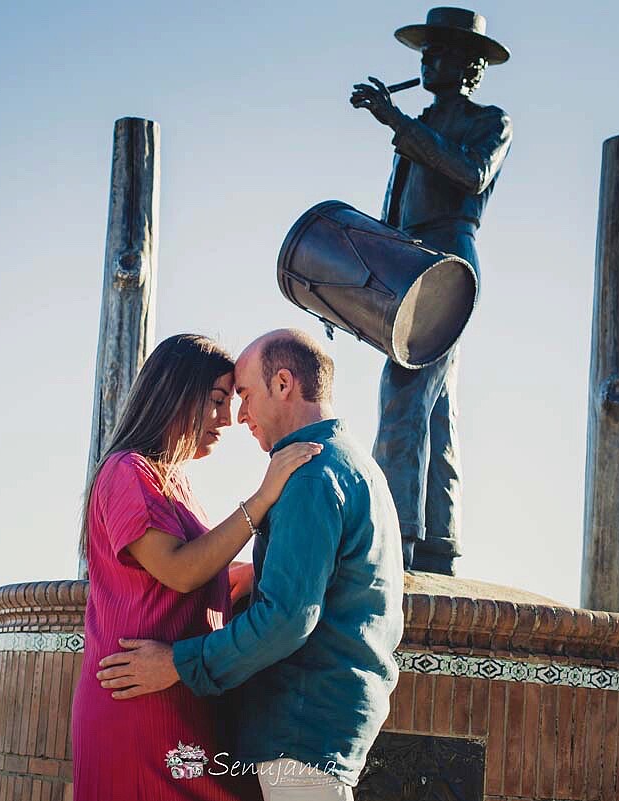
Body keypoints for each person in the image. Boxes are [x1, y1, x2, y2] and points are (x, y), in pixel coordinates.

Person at [96, 328, 405, 800]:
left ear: (283, 384)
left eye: (240, 395)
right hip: (304, 728)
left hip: (300, 731)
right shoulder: (352, 464)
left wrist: (178, 663)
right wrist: (254, 572)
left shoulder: (309, 476)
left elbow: (286, 620)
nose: (237, 417)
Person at [71, 333, 322, 801]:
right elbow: (179, 570)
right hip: (139, 704)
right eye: (216, 401)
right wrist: (264, 498)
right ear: (174, 393)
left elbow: (177, 584)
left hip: (175, 695)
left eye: (231, 401)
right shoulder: (128, 470)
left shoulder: (174, 480)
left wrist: (241, 578)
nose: (227, 419)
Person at [349, 7, 512, 574]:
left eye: (438, 52)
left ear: (471, 67)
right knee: (434, 407)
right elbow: (392, 217)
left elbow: (470, 173)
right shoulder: (410, 133)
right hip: (405, 262)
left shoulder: (489, 121)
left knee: (403, 398)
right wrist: (354, 288)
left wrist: (397, 122)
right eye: (425, 52)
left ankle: (391, 542)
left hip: (446, 263)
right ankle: (438, 541)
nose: (426, 61)